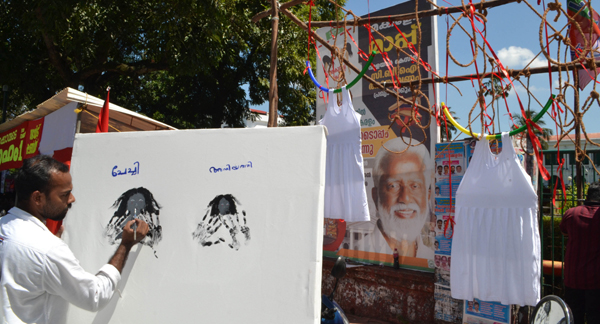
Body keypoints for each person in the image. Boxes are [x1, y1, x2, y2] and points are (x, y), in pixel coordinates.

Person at [0, 155, 149, 324]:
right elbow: (95, 296)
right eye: (64, 195)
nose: (72, 199)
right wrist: (125, 244)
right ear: (38, 198)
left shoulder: (5, 226)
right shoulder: (48, 249)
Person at [370, 138, 435, 259]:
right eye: (393, 186)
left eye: (415, 186)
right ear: (375, 197)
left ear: (428, 196)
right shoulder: (361, 252)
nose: (405, 198)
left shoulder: (430, 258)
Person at [560, 181, 600, 324]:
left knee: (573, 318)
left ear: (587, 196)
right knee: (595, 317)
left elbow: (564, 230)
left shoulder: (571, 214)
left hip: (573, 279)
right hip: (595, 282)